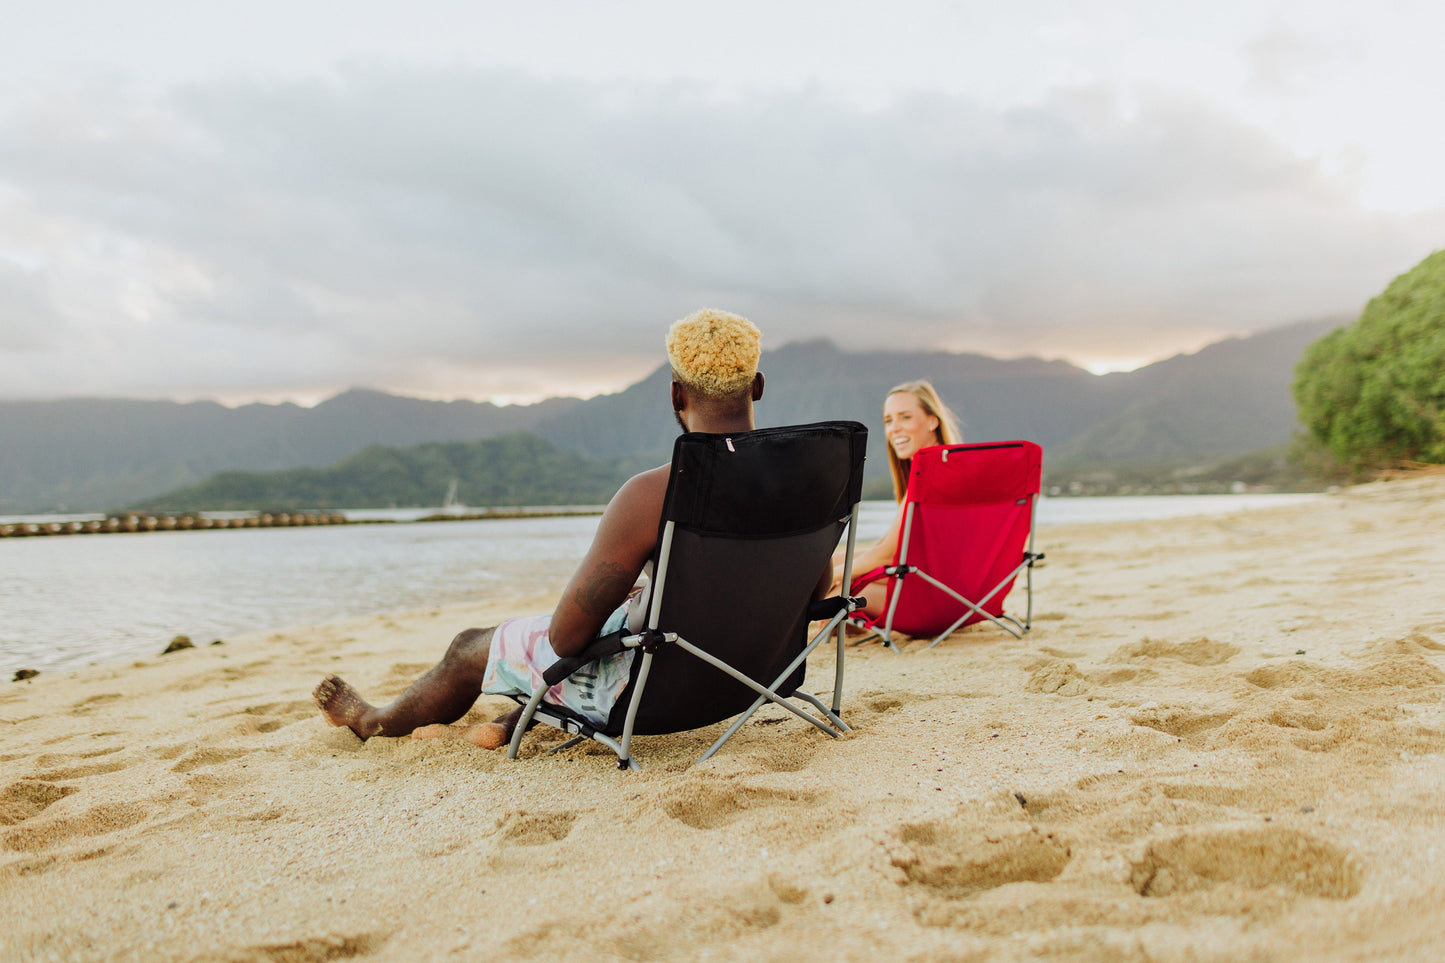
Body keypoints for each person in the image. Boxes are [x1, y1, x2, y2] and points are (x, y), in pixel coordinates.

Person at [314, 308, 814, 750]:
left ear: (676, 394)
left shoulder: (650, 496)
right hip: (757, 677)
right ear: (758, 386)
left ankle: (371, 721)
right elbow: (815, 589)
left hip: (652, 697)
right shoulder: (804, 482)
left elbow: (567, 638)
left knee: (470, 645)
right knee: (634, 601)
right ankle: (513, 723)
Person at [829, 380, 962, 619]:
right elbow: (887, 547)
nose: (895, 429)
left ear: (933, 421)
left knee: (831, 592)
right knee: (827, 565)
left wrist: (835, 576)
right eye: (888, 421)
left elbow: (888, 555)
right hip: (956, 594)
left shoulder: (929, 476)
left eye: (905, 417)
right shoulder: (949, 468)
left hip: (934, 601)